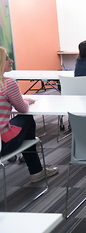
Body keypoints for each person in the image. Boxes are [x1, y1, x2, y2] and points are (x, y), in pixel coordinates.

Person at [0, 47, 58, 183]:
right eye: (7, 58)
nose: (11, 61)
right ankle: (36, 170)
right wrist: (26, 100)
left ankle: (35, 169)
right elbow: (23, 108)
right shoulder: (7, 83)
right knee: (26, 118)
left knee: (21, 124)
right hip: (2, 144)